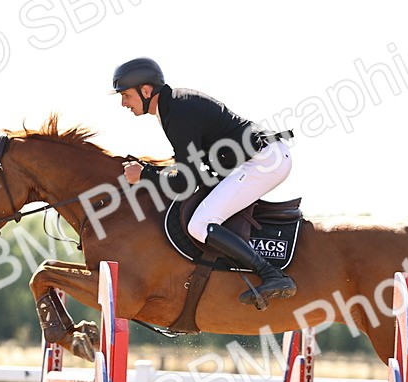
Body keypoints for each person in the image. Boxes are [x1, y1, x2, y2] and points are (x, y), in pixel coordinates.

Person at [112, 57, 297, 308]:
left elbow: (183, 182)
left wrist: (144, 175)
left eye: (125, 95)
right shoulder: (172, 105)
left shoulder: (176, 113)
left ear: (146, 90)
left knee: (199, 225)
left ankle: (272, 275)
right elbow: (191, 172)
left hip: (262, 162)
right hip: (255, 158)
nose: (123, 103)